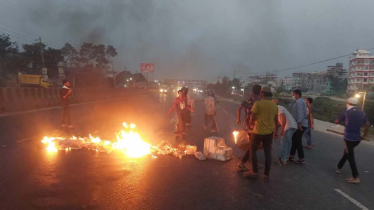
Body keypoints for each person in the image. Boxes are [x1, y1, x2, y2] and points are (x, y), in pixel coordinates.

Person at [242, 87, 278, 182]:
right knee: (267, 153)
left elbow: (252, 117)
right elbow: (276, 121)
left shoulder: (258, 103)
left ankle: (254, 172)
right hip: (269, 133)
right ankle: (266, 175)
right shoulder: (274, 105)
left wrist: (251, 122)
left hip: (258, 132)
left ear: (262, 94)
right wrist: (276, 132)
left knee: (252, 150)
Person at [335, 97, 369, 184]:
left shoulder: (346, 112)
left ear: (348, 103)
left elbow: (337, 121)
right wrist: (364, 135)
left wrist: (338, 120)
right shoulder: (362, 113)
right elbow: (367, 124)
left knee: (350, 155)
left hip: (348, 138)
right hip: (357, 138)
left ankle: (355, 176)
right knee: (347, 152)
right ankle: (339, 166)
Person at [236, 84, 261, 171]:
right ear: (260, 92)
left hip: (247, 125)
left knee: (252, 144)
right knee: (253, 145)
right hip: (255, 126)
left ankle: (251, 162)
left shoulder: (247, 100)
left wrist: (238, 119)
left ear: (252, 91)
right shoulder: (260, 102)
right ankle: (242, 163)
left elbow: (239, 109)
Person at [272, 99, 297, 164]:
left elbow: (283, 118)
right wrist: (274, 130)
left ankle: (283, 159)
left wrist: (282, 129)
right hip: (292, 126)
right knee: (287, 142)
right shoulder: (279, 108)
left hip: (288, 126)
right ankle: (286, 157)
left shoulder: (278, 108)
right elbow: (279, 123)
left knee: (283, 143)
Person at [289, 89, 308, 164]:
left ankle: (301, 158)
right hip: (299, 123)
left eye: (294, 94)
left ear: (297, 94)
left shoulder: (299, 102)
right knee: (294, 139)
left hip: (300, 124)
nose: (293, 96)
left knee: (297, 140)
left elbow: (300, 113)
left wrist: (299, 123)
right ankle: (291, 155)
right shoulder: (301, 101)